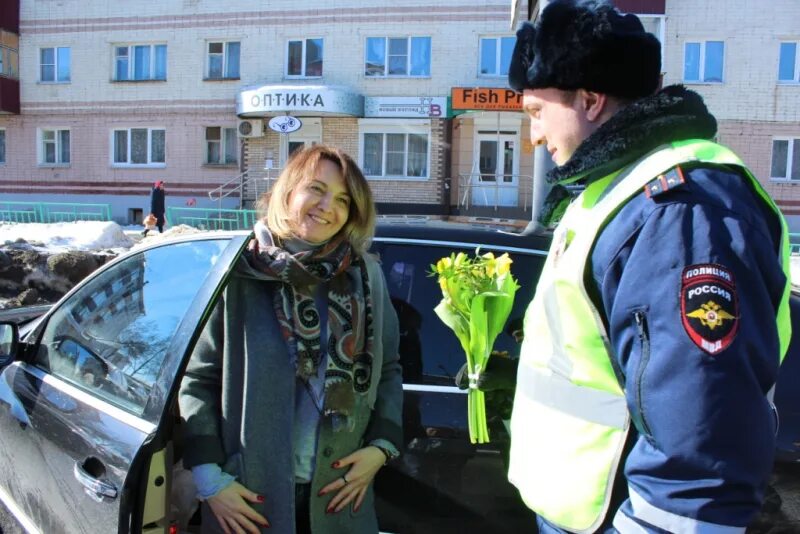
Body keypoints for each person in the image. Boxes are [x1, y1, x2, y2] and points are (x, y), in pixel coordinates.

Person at [491, 1, 792, 532]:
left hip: (625, 515)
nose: (533, 136)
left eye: (537, 112)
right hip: (587, 506)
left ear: (590, 99)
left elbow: (701, 418)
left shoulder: (677, 209)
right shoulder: (619, 190)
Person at [178, 145, 403, 534]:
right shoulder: (239, 271)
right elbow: (198, 378)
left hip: (339, 499)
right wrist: (210, 480)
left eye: (343, 200)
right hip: (248, 500)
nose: (326, 206)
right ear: (288, 191)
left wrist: (380, 450)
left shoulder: (365, 275)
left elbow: (389, 368)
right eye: (316, 188)